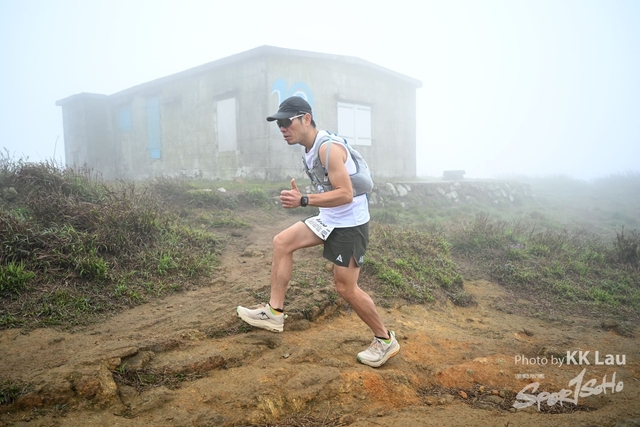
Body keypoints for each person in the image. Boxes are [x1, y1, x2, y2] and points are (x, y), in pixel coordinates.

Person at [236, 96, 399, 368]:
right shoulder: (308, 148)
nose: (282, 128)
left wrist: (304, 200)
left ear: (306, 119)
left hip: (350, 225)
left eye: (287, 122)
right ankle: (274, 313)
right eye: (278, 124)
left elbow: (345, 194)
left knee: (346, 288)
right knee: (282, 242)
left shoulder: (328, 149)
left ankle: (384, 340)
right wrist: (308, 199)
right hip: (329, 218)